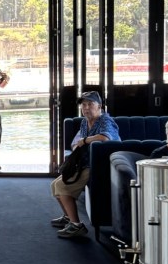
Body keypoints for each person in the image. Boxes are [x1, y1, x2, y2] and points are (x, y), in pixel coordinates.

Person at [50, 91, 120, 239]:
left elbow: (106, 138)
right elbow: (76, 143)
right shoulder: (84, 122)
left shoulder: (105, 121)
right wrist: (79, 145)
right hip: (86, 163)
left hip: (100, 165)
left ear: (99, 106)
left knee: (62, 186)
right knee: (55, 185)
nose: (86, 108)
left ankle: (77, 226)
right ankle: (68, 218)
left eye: (90, 104)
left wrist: (86, 140)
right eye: (83, 105)